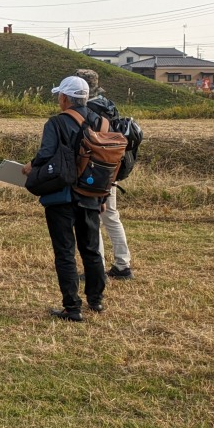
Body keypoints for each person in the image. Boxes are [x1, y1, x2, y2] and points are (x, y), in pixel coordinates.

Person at [22, 75, 106, 321]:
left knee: (65, 251)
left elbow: (46, 154)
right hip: (92, 194)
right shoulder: (101, 122)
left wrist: (31, 166)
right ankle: (96, 300)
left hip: (61, 195)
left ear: (65, 98)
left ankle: (72, 307)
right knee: (91, 250)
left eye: (59, 95)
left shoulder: (56, 123)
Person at [76, 69, 134, 280]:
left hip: (96, 170)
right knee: (111, 216)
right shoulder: (108, 105)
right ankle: (122, 264)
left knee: (94, 217)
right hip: (112, 166)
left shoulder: (89, 109)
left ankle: (97, 266)